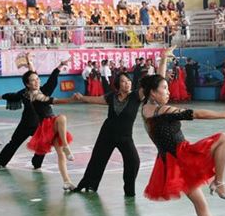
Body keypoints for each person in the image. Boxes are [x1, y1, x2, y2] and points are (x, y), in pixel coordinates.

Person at [139, 67, 225, 216]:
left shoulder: (145, 107)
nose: (169, 92)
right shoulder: (163, 110)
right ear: (153, 92)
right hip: (183, 156)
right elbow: (197, 114)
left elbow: (155, 80)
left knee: (201, 205)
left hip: (171, 163)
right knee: (224, 139)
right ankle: (219, 183)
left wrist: (163, 59)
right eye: (165, 88)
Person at [73, 47, 174, 197]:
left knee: (133, 161)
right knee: (97, 160)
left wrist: (163, 59)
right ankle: (88, 185)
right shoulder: (111, 96)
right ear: (118, 84)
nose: (127, 83)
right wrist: (82, 98)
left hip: (125, 137)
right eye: (123, 81)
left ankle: (129, 191)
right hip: (107, 133)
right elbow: (97, 99)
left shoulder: (136, 96)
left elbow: (156, 81)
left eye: (128, 81)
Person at [0, 56, 68, 170]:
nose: (37, 81)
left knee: (43, 144)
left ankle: (36, 163)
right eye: (33, 80)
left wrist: (59, 66)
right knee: (13, 143)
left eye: (37, 79)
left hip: (40, 125)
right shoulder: (24, 93)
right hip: (26, 124)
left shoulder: (43, 91)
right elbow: (12, 96)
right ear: (27, 84)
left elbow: (52, 81)